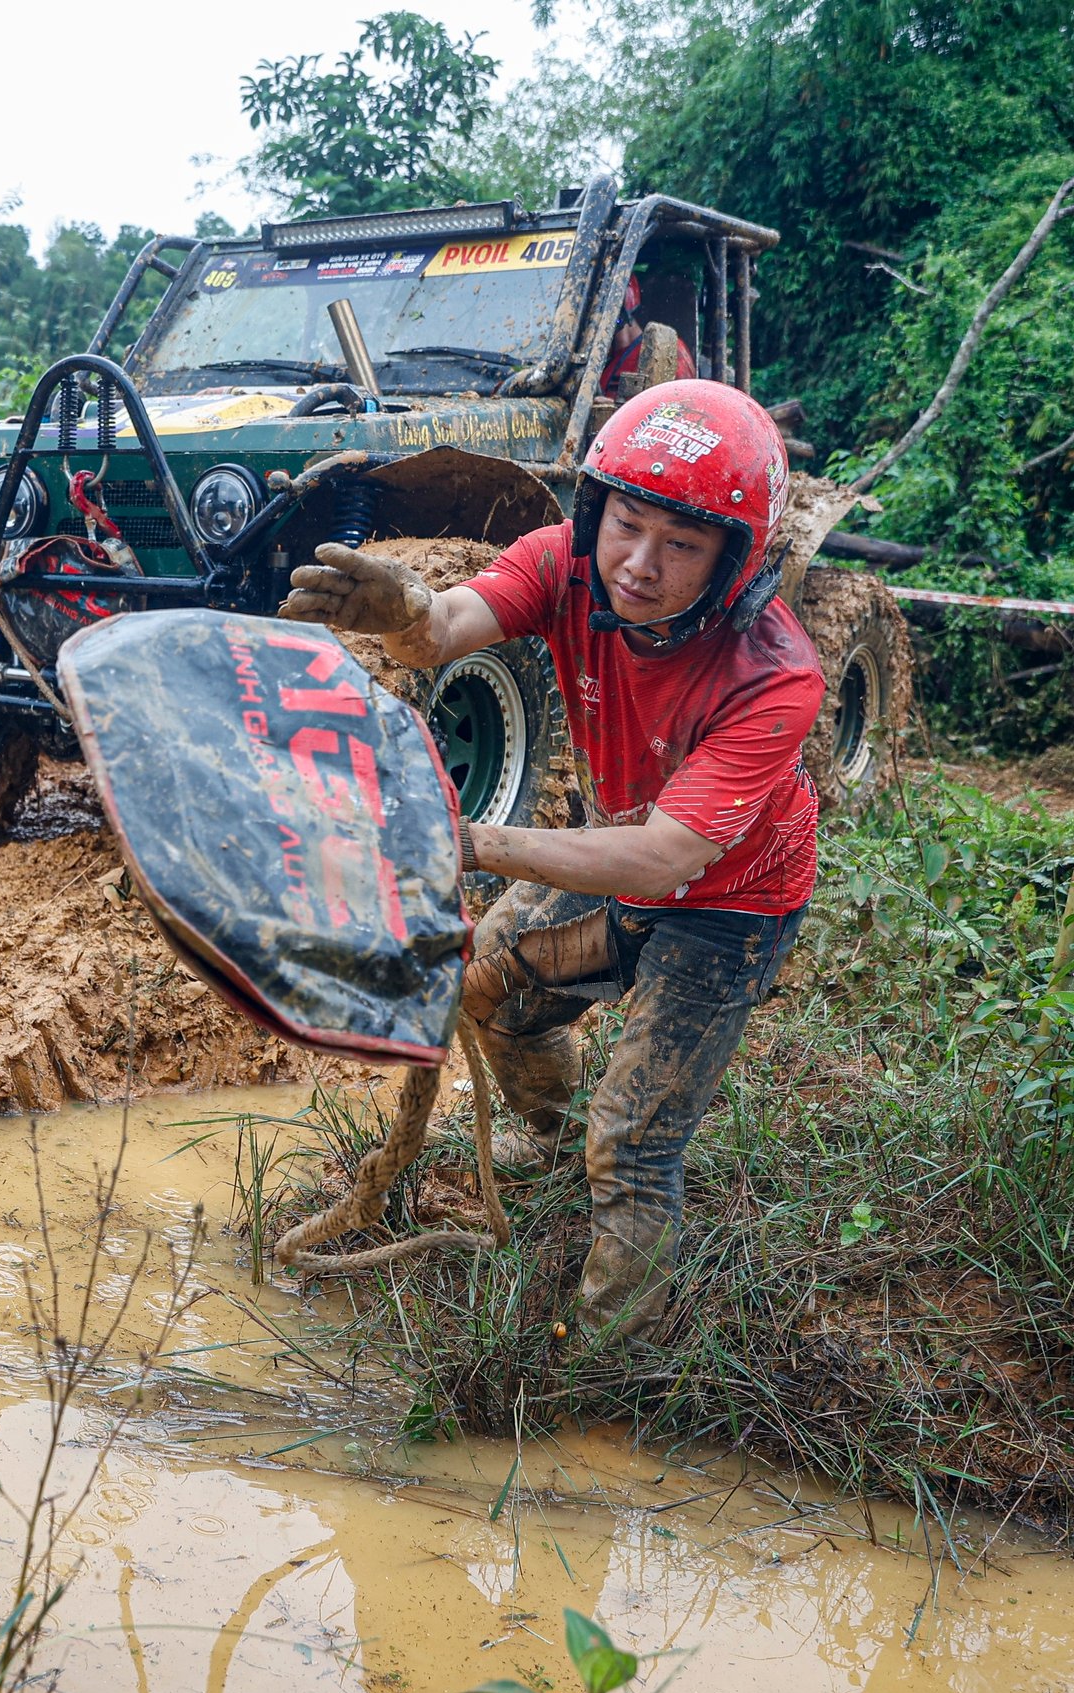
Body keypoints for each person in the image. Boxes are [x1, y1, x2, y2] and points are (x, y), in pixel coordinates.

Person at [275, 379, 823, 1344]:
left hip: (727, 907)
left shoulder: (775, 676)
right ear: (595, 507)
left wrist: (475, 841)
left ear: (736, 562)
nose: (639, 565)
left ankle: (603, 1368)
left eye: (681, 545)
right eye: (626, 523)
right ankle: (551, 1148)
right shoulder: (566, 566)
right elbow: (445, 628)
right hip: (612, 843)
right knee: (492, 985)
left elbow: (663, 861)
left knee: (637, 1140)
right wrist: (404, 607)